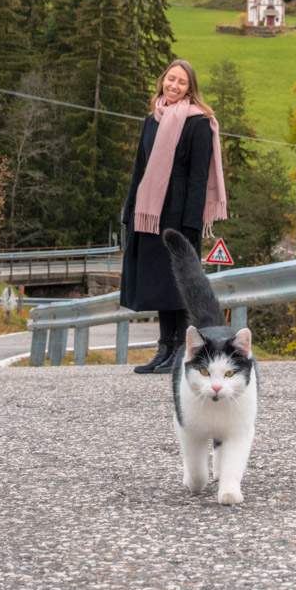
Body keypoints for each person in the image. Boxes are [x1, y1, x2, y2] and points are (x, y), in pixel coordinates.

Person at [120, 58, 227, 374]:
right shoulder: (151, 120)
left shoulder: (199, 123)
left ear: (190, 88)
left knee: (180, 287)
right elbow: (140, 170)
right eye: (170, 79)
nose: (174, 86)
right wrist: (129, 211)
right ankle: (163, 350)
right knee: (161, 287)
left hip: (179, 217)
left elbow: (197, 177)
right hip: (150, 214)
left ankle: (180, 352)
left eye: (181, 82)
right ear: (162, 81)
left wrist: (191, 224)